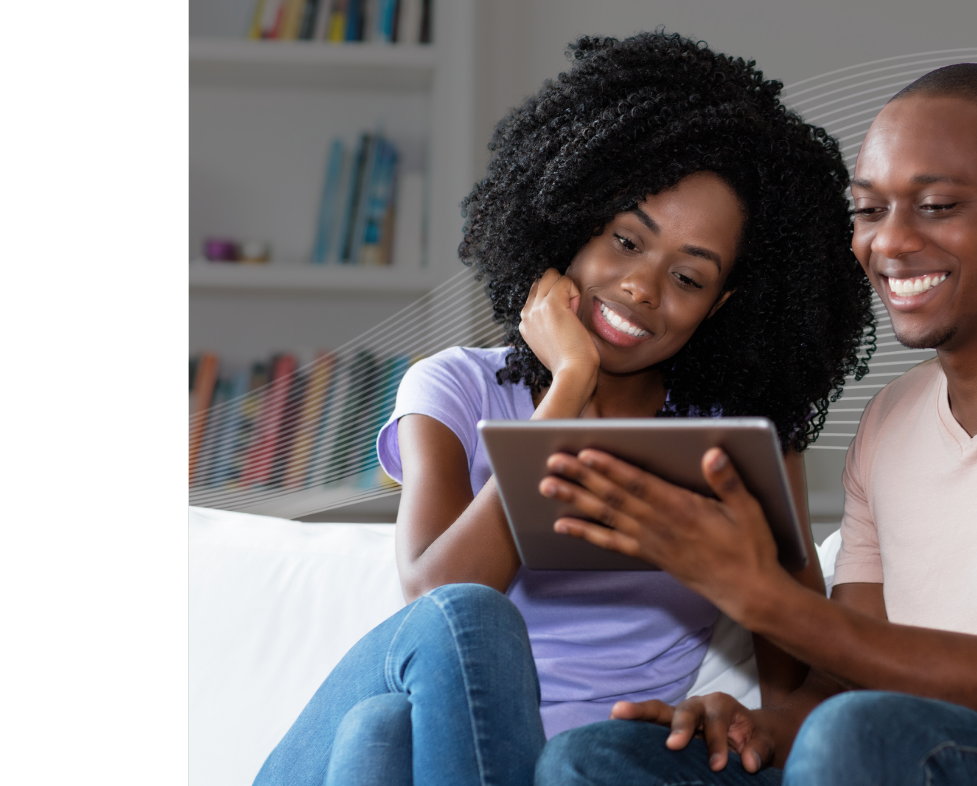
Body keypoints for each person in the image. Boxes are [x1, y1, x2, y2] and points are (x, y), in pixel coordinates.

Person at [535, 63, 977, 786]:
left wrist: (762, 597)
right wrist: (760, 727)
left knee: (858, 733)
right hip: (892, 757)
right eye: (870, 210)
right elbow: (839, 685)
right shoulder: (889, 421)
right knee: (597, 758)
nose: (891, 241)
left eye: (936, 205)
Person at [253, 31, 875, 786]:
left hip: (578, 767)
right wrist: (569, 386)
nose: (642, 287)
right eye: (625, 240)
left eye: (687, 278)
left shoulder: (737, 441)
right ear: (575, 220)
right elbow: (437, 598)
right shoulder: (452, 388)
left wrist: (745, 719)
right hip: (423, 732)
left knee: (383, 735)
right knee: (447, 646)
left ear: (720, 306)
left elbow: (805, 681)